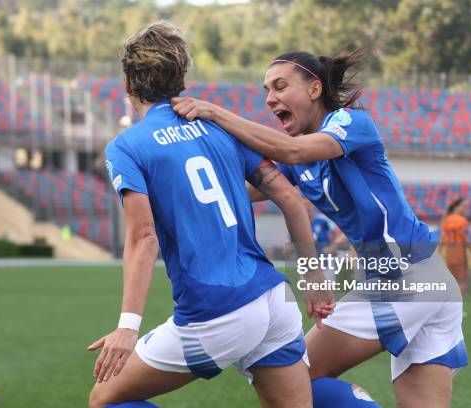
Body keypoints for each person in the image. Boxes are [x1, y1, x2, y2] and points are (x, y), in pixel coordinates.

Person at [172, 49, 467, 407]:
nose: (270, 99)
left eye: (280, 86)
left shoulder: (349, 123)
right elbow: (237, 191)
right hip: (424, 280)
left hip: (403, 277)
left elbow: (292, 151)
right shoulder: (300, 162)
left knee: (287, 379)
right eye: (266, 90)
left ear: (315, 89)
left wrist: (212, 111)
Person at [87, 22, 333, 408]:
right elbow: (289, 196)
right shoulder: (219, 128)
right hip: (273, 300)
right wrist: (314, 276)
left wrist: (127, 327)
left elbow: (143, 237)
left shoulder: (127, 147)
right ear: (181, 81)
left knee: (104, 398)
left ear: (128, 86)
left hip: (215, 313)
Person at [440, 198, 471, 295]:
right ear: (457, 207)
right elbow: (464, 237)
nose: (465, 208)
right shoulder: (462, 220)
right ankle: (459, 298)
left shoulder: (447, 220)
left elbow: (443, 238)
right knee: (464, 277)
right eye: (464, 206)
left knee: (452, 276)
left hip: (449, 252)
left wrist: (439, 252)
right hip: (459, 251)